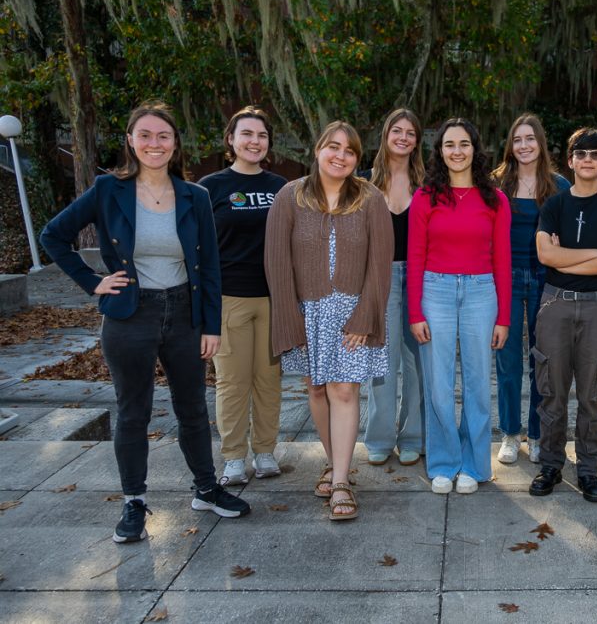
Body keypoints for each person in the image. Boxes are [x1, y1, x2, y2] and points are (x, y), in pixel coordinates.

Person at [40, 100, 250, 544]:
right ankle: (134, 501)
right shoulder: (106, 190)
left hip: (185, 313)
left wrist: (211, 325)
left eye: (163, 136)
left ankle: (207, 488)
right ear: (131, 142)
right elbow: (53, 236)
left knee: (192, 408)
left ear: (175, 144)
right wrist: (91, 281)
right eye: (146, 136)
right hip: (129, 315)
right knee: (133, 412)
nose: (155, 144)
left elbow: (210, 267)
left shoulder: (194, 196)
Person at [264, 121, 392, 520]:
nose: (340, 156)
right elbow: (276, 261)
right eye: (333, 147)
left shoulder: (370, 199)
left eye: (350, 150)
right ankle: (335, 461)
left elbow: (380, 263)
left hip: (352, 313)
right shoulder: (290, 196)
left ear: (358, 158)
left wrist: (365, 316)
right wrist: (290, 318)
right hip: (308, 312)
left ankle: (340, 483)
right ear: (317, 150)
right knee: (316, 391)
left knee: (343, 391)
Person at [529, 128, 597, 503]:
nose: (588, 160)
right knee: (551, 391)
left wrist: (570, 256)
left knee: (593, 394)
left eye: (595, 154)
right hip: (555, 304)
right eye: (581, 154)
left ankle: (589, 470)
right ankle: (551, 465)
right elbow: (546, 257)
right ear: (571, 161)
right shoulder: (555, 206)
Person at [408, 118, 512, 495]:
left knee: (477, 384)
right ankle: (443, 462)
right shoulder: (426, 197)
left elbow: (502, 259)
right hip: (434, 290)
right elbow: (415, 256)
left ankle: (474, 464)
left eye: (464, 144)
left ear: (475, 149)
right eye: (449, 144)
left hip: (482, 293)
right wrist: (415, 312)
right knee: (437, 385)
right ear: (439, 151)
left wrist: (504, 317)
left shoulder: (494, 199)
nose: (456, 151)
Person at [198, 106, 287, 485]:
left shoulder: (281, 187)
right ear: (231, 140)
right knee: (232, 382)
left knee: (268, 380)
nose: (254, 141)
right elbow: (198, 248)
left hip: (272, 299)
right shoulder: (210, 187)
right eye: (247, 134)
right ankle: (233, 457)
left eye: (262, 136)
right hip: (229, 299)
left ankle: (265, 451)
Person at [492, 113, 571, 465]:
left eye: (530, 139)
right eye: (518, 139)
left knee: (543, 360)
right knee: (507, 358)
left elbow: (570, 234)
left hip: (545, 278)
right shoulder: (496, 185)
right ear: (510, 145)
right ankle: (510, 434)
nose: (524, 146)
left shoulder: (558, 186)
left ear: (540, 144)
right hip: (505, 277)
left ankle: (537, 435)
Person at [363, 109, 427, 467]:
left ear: (417, 141)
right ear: (386, 134)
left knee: (417, 361)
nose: (403, 137)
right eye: (397, 130)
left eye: (411, 133)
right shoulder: (365, 183)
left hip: (420, 277)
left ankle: (414, 436)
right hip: (379, 278)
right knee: (380, 362)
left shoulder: (428, 184)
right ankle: (380, 437)